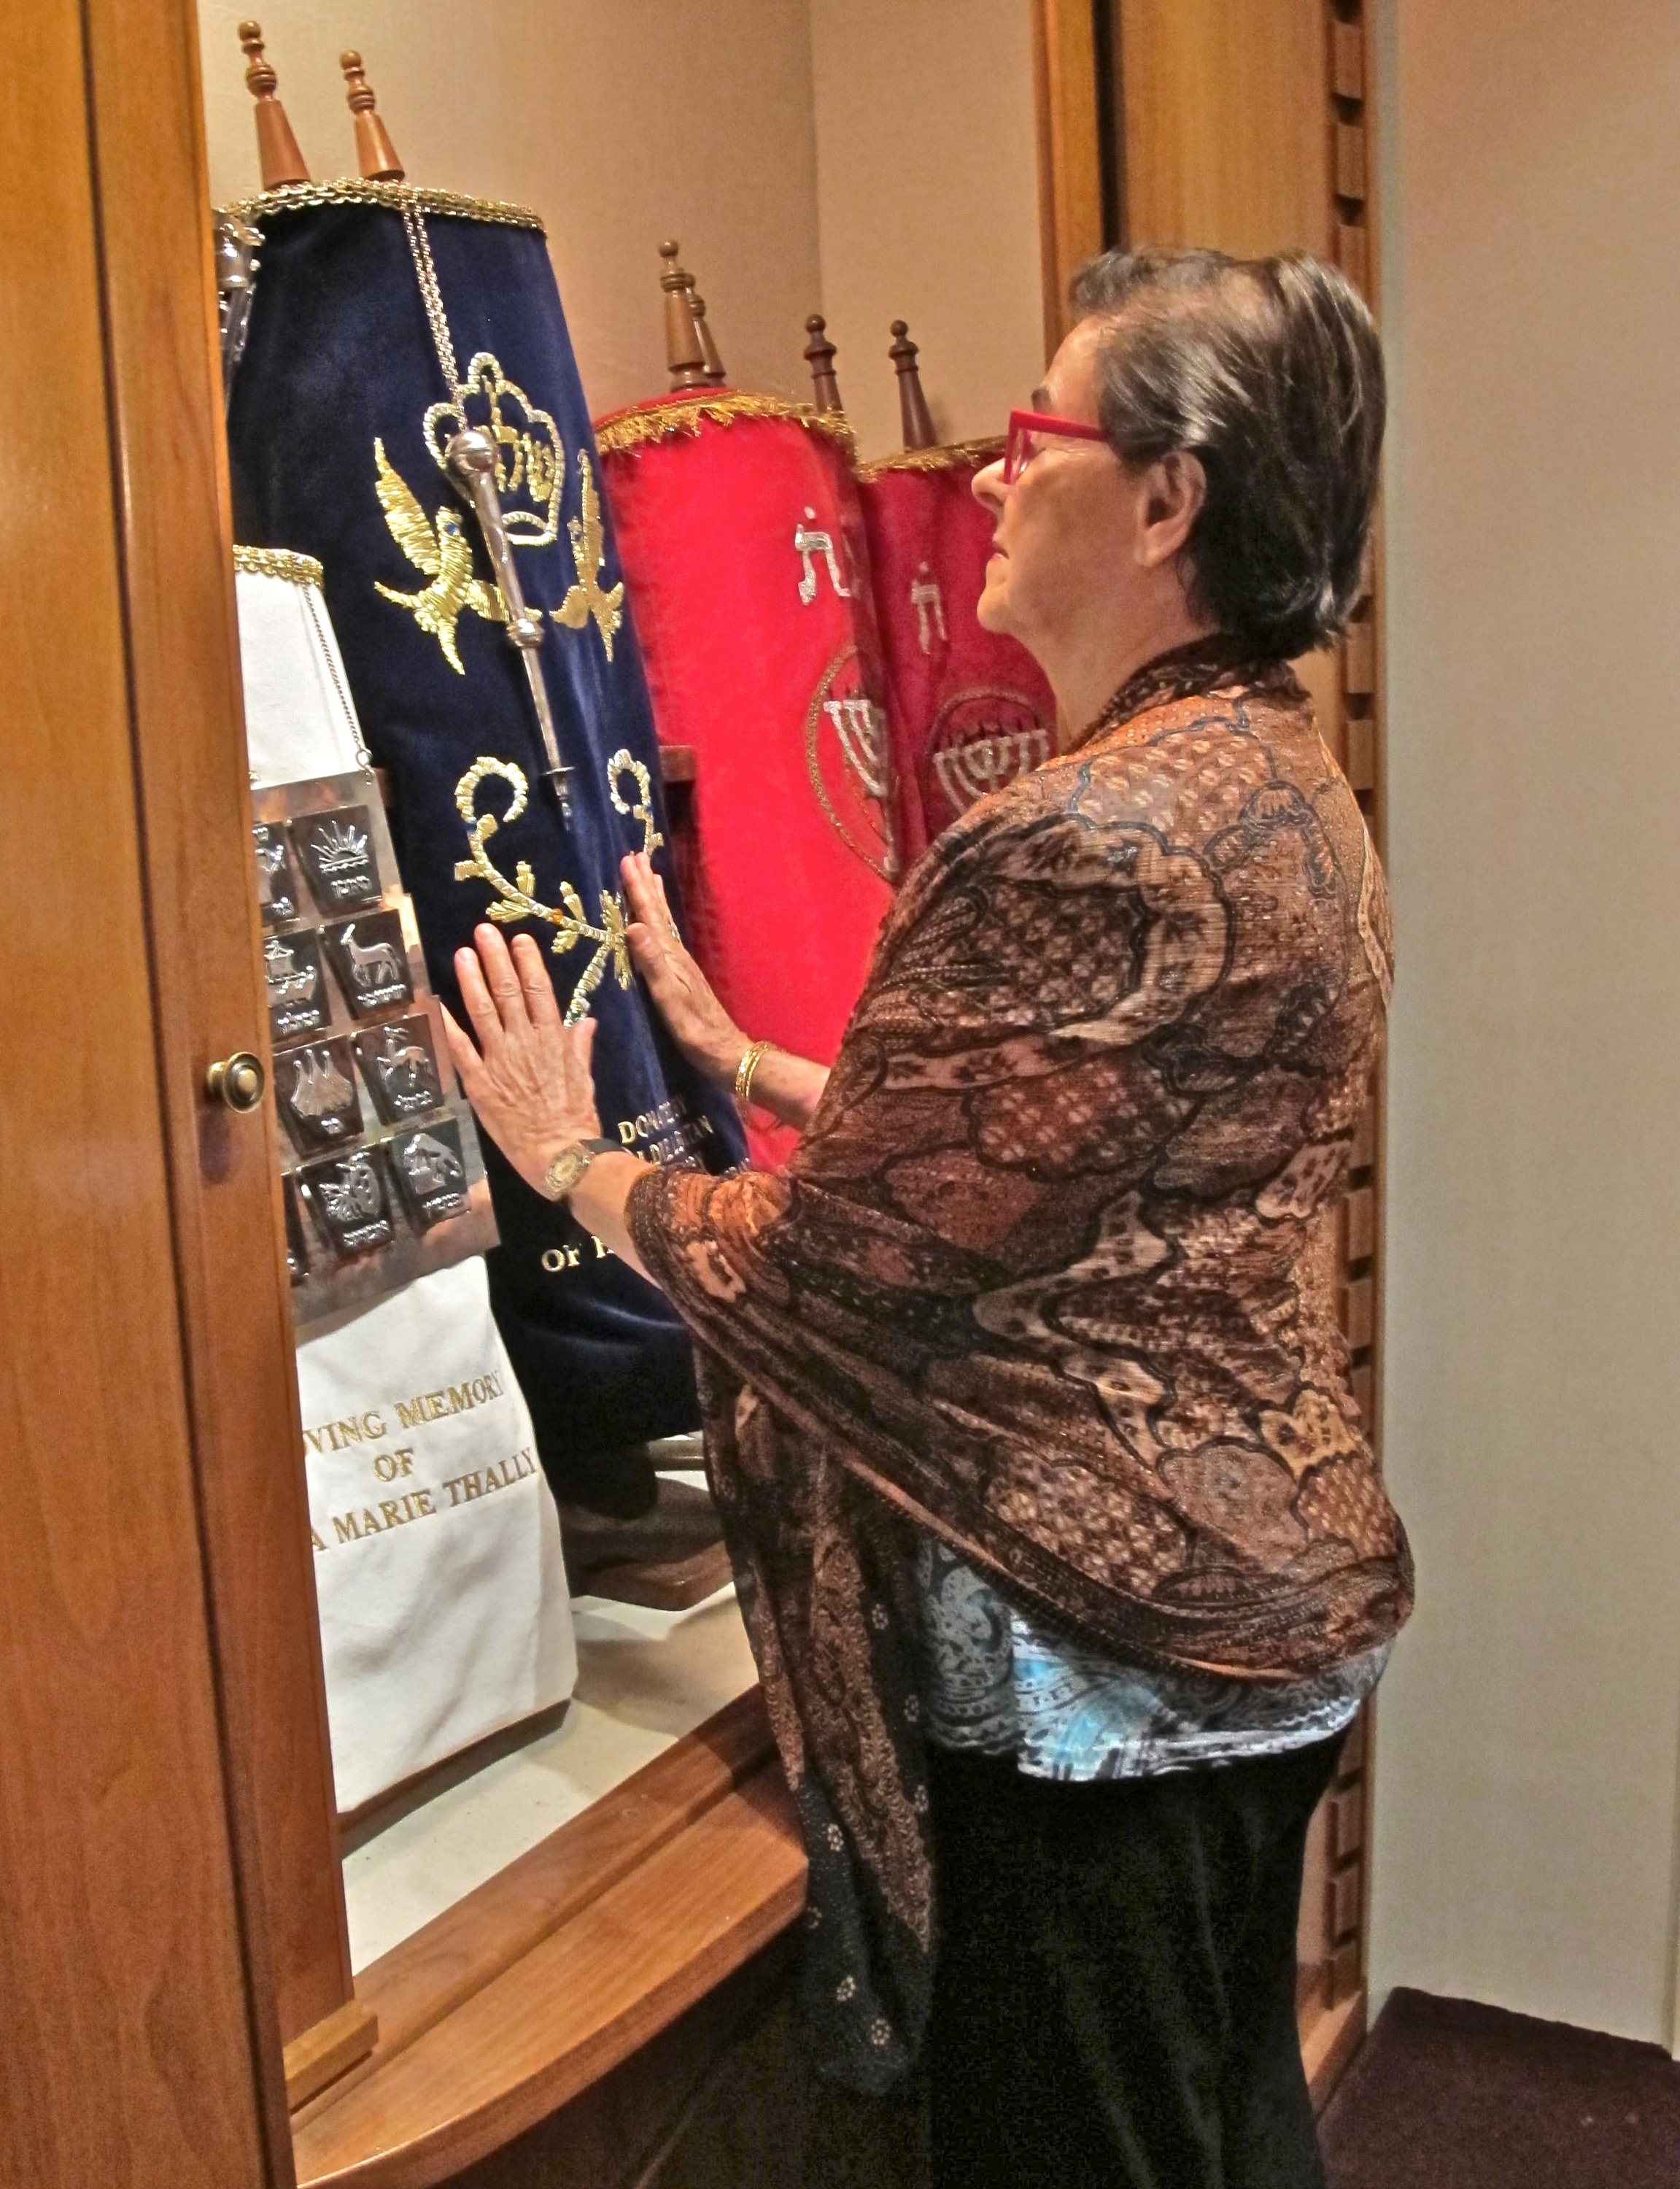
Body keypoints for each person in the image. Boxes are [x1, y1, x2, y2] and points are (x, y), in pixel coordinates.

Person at [442, 245, 1413, 2189]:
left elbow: (830, 1287)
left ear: (1163, 500)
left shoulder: (1083, 830)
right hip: (1254, 1601)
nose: (983, 476)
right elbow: (1112, 1150)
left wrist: (570, 1158)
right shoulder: (1268, 775)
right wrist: (762, 1063)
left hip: (1113, 1664)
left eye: (1034, 434)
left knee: (1095, 2150)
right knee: (1219, 2118)